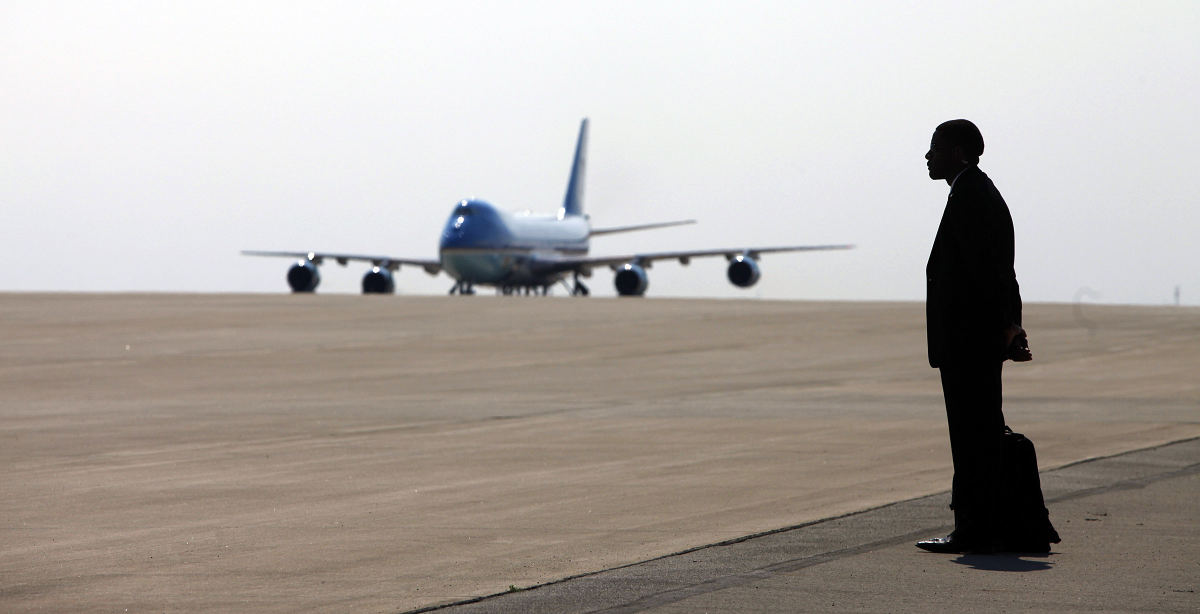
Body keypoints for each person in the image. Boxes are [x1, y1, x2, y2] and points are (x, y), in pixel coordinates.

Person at [916, 119, 1032, 554]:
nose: (928, 156)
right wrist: (1011, 325)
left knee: (972, 437)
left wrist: (1006, 325)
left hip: (970, 342)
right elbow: (1003, 270)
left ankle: (973, 528)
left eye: (935, 148)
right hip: (977, 339)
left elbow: (991, 273)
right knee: (980, 433)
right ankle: (986, 523)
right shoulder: (976, 191)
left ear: (960, 153)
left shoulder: (971, 196)